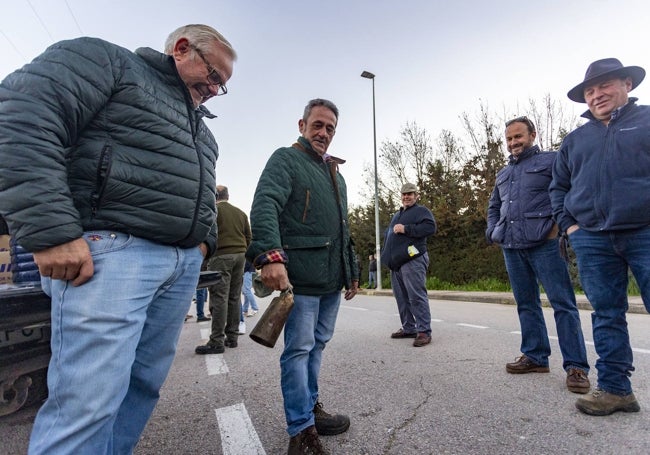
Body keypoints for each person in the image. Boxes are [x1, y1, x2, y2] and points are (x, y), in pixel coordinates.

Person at [0, 24, 235, 454]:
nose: (216, 89)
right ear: (182, 48)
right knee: (87, 403)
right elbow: (23, 111)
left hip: (178, 266)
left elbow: (205, 194)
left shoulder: (202, 131)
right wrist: (51, 231)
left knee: (141, 387)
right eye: (215, 75)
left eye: (223, 85)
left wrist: (204, 242)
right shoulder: (110, 63)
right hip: (113, 254)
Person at [246, 99, 359, 455]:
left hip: (330, 279)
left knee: (317, 345)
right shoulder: (286, 159)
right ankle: (301, 431)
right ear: (302, 125)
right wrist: (270, 256)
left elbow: (343, 229)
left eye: (330, 128)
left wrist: (351, 271)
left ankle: (310, 409)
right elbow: (265, 203)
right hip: (302, 278)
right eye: (318, 125)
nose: (324, 133)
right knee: (298, 350)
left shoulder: (335, 175)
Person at [550, 58, 650, 416]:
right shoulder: (575, 140)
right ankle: (615, 389)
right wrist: (570, 226)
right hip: (592, 237)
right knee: (606, 313)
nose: (596, 95)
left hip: (644, 231)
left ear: (627, 84)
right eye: (590, 91)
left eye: (604, 86)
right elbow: (558, 187)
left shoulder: (647, 121)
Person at [486, 116, 590, 393]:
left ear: (532, 134)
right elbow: (494, 206)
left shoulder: (551, 161)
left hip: (546, 244)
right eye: (508, 139)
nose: (513, 143)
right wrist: (493, 232)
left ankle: (576, 366)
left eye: (518, 137)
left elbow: (567, 193)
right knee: (526, 304)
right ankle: (535, 356)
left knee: (563, 304)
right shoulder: (503, 173)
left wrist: (558, 227)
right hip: (511, 246)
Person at [195, 185, 251, 354]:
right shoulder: (240, 213)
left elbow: (204, 235)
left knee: (219, 298)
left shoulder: (213, 212)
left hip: (221, 256)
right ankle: (232, 338)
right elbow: (249, 236)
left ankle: (216, 341)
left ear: (215, 196)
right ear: (228, 195)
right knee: (234, 297)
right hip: (240, 256)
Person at [381, 183, 437, 347]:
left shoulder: (421, 211)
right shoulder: (397, 214)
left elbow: (430, 227)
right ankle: (409, 327)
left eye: (410, 194)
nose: (407, 197)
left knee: (416, 296)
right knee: (402, 297)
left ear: (416, 195)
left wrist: (406, 229)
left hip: (413, 259)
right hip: (397, 264)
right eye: (404, 194)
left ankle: (424, 331)